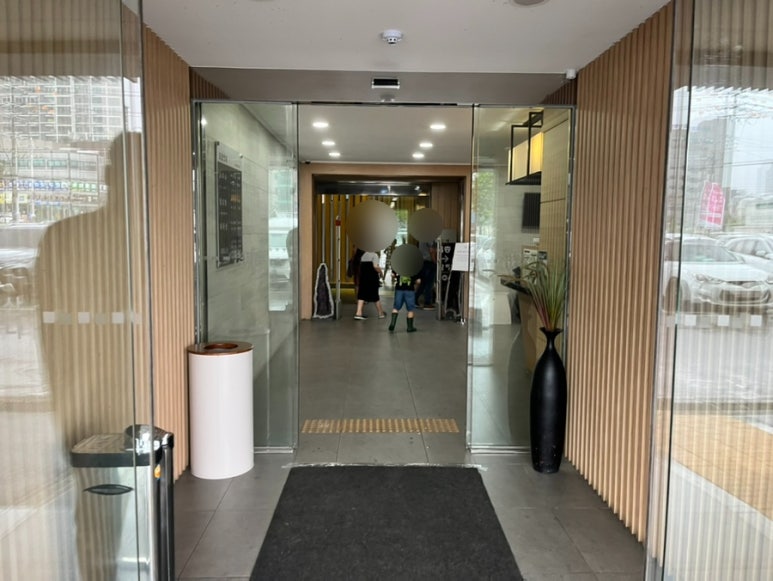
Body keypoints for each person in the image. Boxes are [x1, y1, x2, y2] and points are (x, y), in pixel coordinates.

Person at [353, 249, 385, 320]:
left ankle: (358, 313)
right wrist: (381, 272)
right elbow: (375, 266)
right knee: (375, 295)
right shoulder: (374, 255)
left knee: (361, 295)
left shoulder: (363, 255)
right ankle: (381, 313)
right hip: (372, 278)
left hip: (363, 278)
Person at [416, 240, 438, 309]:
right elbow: (431, 251)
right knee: (429, 283)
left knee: (423, 283)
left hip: (422, 262)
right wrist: (435, 261)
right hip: (429, 263)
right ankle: (427, 302)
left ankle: (414, 300)